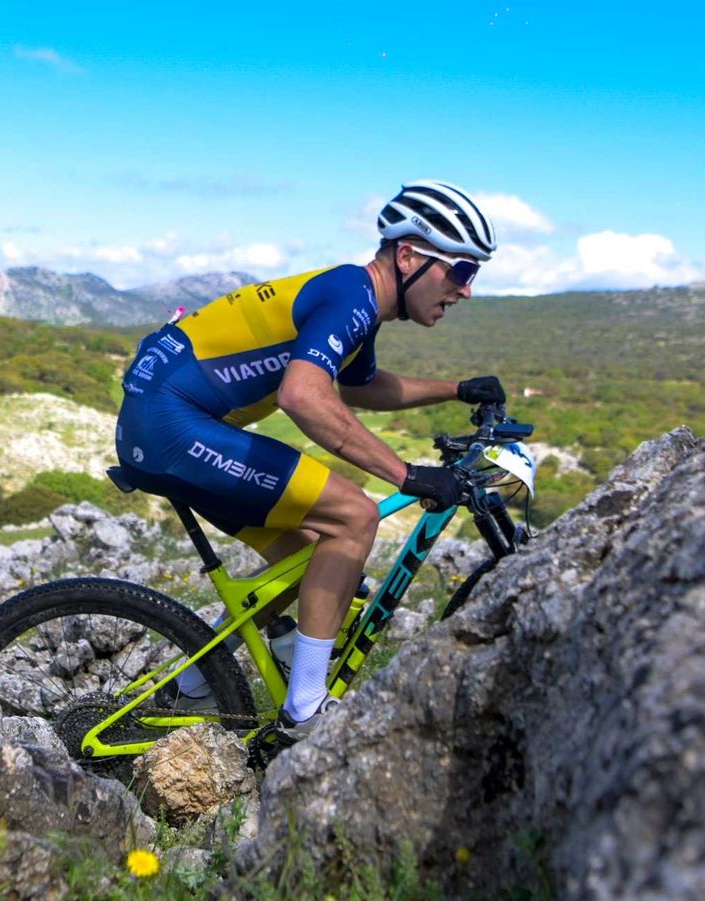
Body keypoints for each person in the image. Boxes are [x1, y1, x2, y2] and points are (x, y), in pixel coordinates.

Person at [114, 180, 506, 741]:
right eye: (461, 272)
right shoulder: (352, 295)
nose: (466, 290)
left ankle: (193, 685)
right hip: (174, 426)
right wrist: (408, 476)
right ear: (409, 256)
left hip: (164, 422)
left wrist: (457, 388)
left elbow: (360, 386)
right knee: (354, 518)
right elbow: (303, 394)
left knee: (300, 560)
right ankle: (306, 713)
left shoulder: (356, 303)